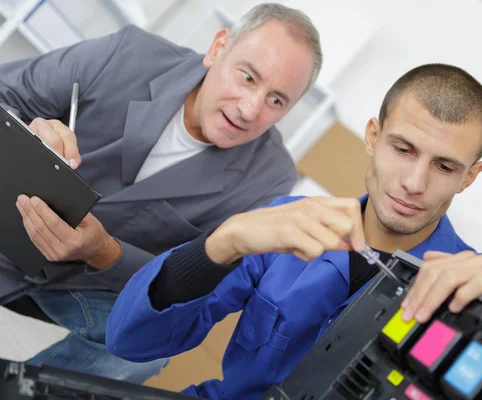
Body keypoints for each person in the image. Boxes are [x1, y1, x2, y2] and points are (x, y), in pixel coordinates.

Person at [106, 64, 482, 400]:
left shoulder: (480, 290)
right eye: (403, 149)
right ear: (373, 137)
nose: (414, 183)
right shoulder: (285, 224)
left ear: (469, 177)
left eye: (445, 166)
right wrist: (222, 242)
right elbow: (132, 341)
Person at [0, 3, 322, 383]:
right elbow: (8, 95)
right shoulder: (128, 54)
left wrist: (104, 252)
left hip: (79, 282)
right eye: (248, 77)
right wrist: (31, 131)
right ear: (218, 48)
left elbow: (195, 293)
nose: (251, 109)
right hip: (8, 221)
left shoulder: (270, 180)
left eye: (276, 101)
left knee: (142, 352)